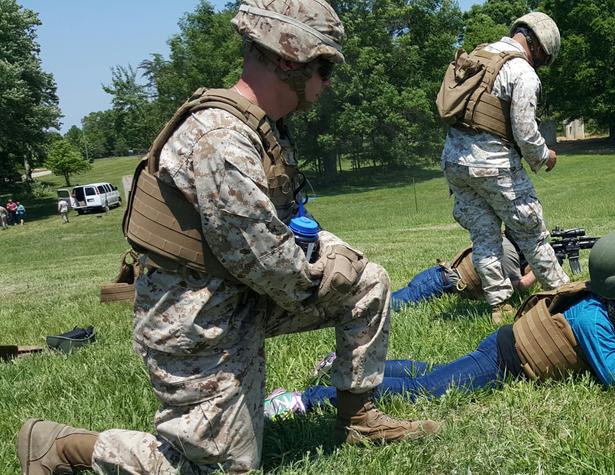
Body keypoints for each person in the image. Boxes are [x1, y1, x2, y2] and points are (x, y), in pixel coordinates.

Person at [16, 2, 437, 474]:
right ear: (287, 59)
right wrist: (331, 267)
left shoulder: (262, 129)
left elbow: (284, 225)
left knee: (368, 281)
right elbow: (272, 265)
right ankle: (62, 446)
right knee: (220, 469)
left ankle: (357, 418)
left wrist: (339, 256)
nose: (328, 83)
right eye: (323, 68)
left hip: (241, 292)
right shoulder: (221, 141)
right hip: (196, 317)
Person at [263, 229, 615, 418]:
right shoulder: (593, 316)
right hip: (505, 361)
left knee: (431, 370)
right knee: (426, 390)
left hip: (502, 349)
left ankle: (336, 361)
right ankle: (305, 400)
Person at [440, 12, 570, 324]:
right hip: (493, 163)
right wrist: (544, 157)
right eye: (544, 58)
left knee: (484, 234)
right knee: (531, 231)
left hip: (454, 161)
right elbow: (525, 132)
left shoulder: (479, 55)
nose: (541, 64)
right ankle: (563, 296)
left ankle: (499, 306)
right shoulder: (521, 71)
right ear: (539, 47)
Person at [391, 234, 536, 319]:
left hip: (446, 285)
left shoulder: (509, 243)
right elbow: (519, 285)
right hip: (437, 282)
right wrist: (541, 267)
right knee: (390, 304)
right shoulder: (507, 250)